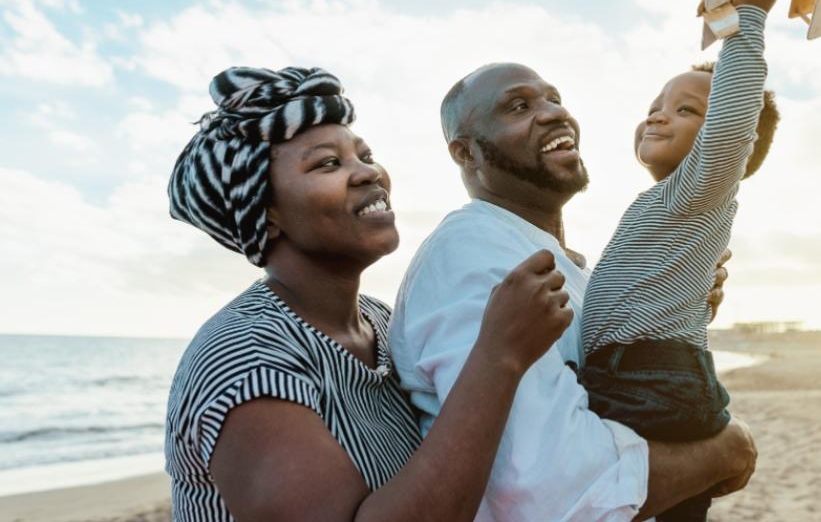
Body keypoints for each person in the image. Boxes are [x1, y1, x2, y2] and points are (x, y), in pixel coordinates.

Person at [387, 0, 777, 521]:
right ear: (466, 153)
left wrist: (678, 305)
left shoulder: (565, 261)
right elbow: (546, 487)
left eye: (553, 97)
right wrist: (725, 452)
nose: (554, 112)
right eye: (519, 106)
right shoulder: (470, 253)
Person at [164, 66, 575, 522]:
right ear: (267, 213)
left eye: (365, 155)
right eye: (327, 164)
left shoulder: (380, 322)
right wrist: (499, 356)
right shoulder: (246, 358)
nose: (368, 173)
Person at [579, 0, 786, 521]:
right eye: (654, 108)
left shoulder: (701, 184)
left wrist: (751, 17)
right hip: (640, 374)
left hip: (652, 377)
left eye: (687, 109)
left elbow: (733, 120)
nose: (657, 117)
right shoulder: (669, 206)